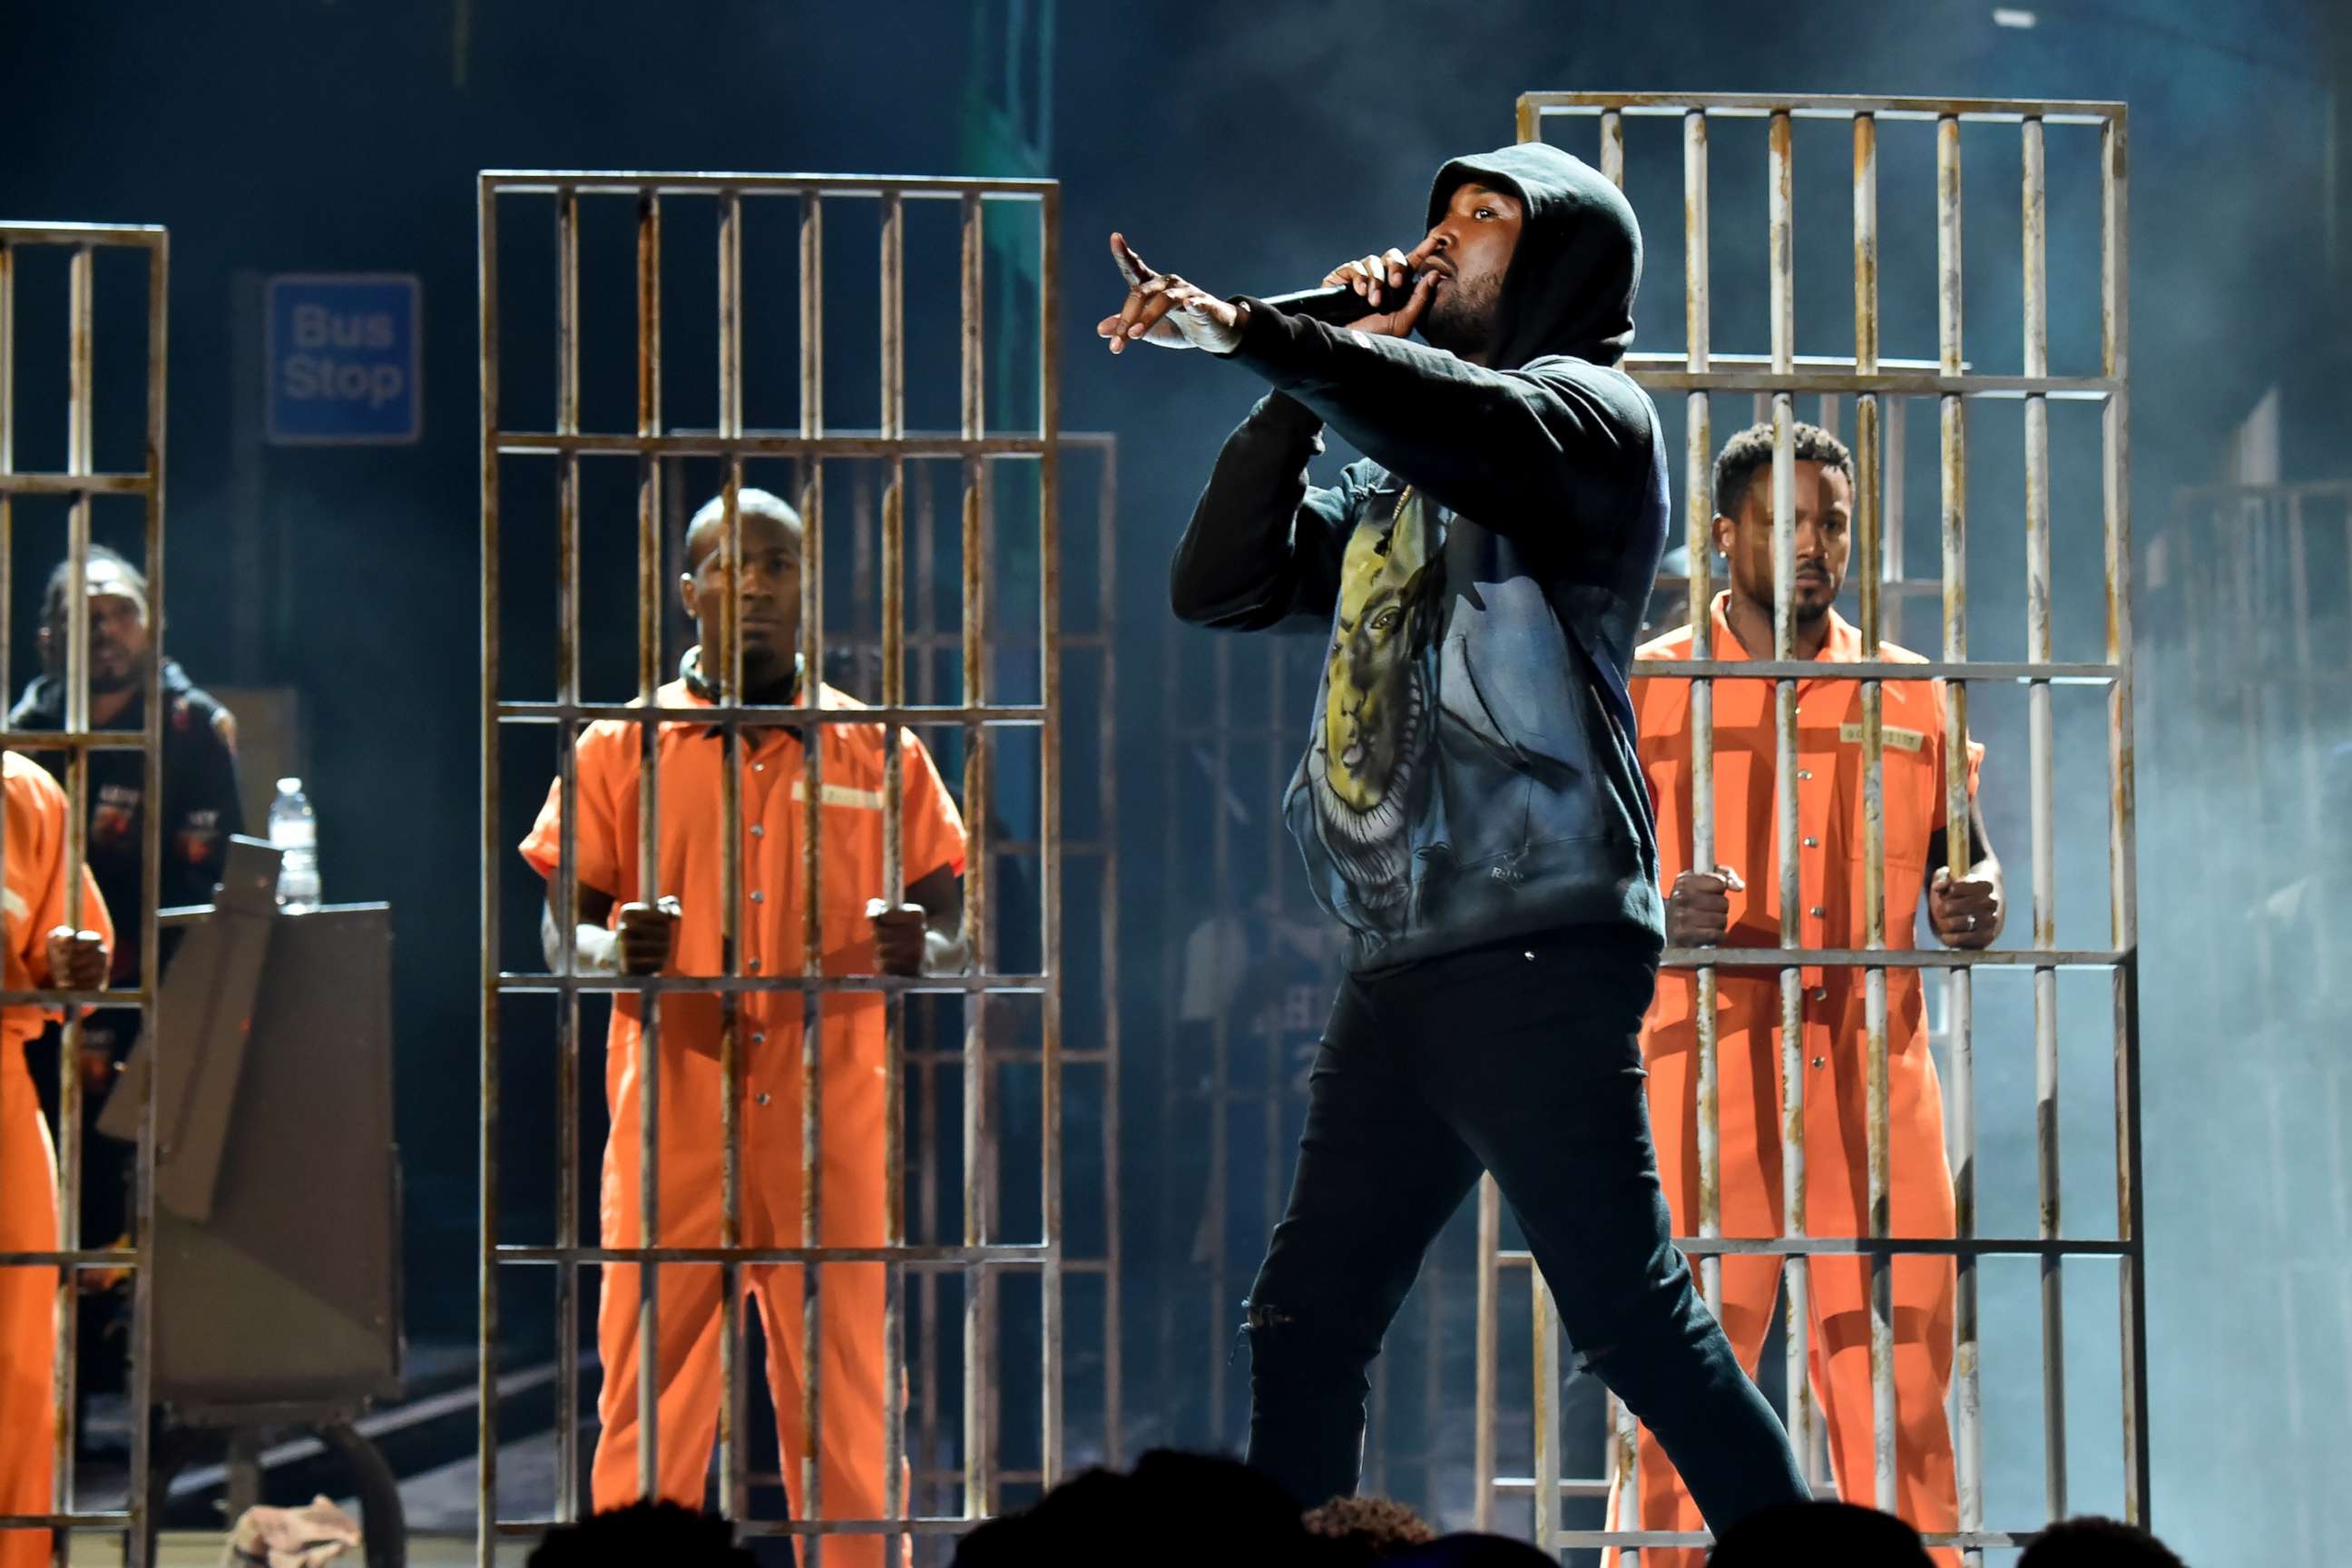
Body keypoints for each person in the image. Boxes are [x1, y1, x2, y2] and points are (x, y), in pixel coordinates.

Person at [1098, 142, 1808, 1529]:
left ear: (1557, 261)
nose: (1442, 237)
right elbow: (1220, 587)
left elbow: (1464, 425)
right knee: (1304, 1312)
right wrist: (1310, 375)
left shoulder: (1587, 417)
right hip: (1411, 951)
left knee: (1630, 1316)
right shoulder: (1397, 478)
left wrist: (1272, 337)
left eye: (1487, 218)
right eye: (1439, 211)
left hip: (1538, 937)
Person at [522, 487, 966, 1564]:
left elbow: (953, 918)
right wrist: (608, 951)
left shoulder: (878, 748)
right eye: (729, 566)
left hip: (830, 1127)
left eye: (776, 566)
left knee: (850, 1405)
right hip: (673, 1117)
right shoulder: (617, 750)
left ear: (808, 587)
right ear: (687, 593)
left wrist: (931, 951)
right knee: (649, 1409)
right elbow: (556, 938)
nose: (755, 586)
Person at [1617, 422, 2000, 1566]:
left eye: (1830, 520)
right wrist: (1652, 908)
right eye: (1783, 521)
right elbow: (1576, 870)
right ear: (1723, 535)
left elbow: (1966, 852)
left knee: (1905, 1409)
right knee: (1680, 1416)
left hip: (1877, 1099)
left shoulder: (1913, 694)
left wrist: (1973, 895)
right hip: (1703, 1089)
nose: (1812, 544)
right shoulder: (1648, 691)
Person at [10, 544, 242, 1256]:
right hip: (40, 995)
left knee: (141, 1193)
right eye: (84, 617)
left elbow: (214, 879)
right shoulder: (24, 733)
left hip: (153, 987)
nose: (105, 629)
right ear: (48, 638)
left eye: (121, 612)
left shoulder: (191, 726)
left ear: (151, 625)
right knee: (45, 1189)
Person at [0, 753, 113, 1568]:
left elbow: (69, 962)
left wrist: (78, 971)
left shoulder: (23, 792)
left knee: (15, 1368)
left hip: (1, 1097)